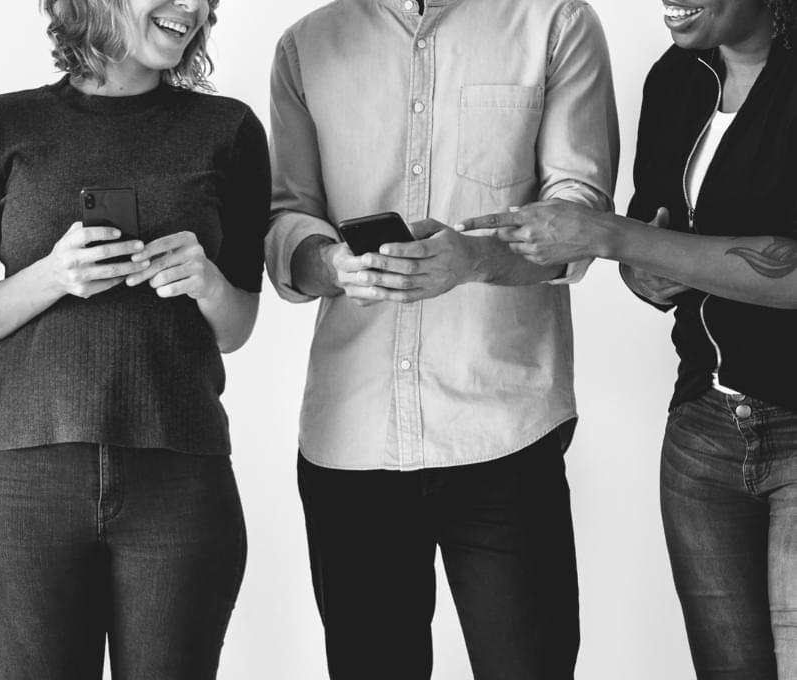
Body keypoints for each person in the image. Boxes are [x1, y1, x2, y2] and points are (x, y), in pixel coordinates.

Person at [263, 0, 617, 676]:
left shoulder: (555, 22)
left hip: (505, 431)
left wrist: (474, 258)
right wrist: (330, 263)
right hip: (353, 440)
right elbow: (287, 217)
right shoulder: (306, 46)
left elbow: (580, 215)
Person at [0, 0, 269, 677]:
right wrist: (54, 276)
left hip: (181, 478)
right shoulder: (0, 126)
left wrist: (207, 282)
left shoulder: (230, 130)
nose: (194, 7)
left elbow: (236, 328)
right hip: (30, 482)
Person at [462, 1, 797, 674]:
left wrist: (614, 237)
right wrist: (647, 272)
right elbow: (649, 246)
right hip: (702, 432)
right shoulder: (675, 77)